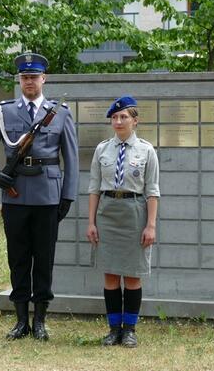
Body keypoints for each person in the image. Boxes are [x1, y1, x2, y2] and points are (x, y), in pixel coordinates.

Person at [0, 53, 79, 341]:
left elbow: (70, 158)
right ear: (19, 80)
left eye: (34, 77)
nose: (29, 81)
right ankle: (21, 321)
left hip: (48, 196)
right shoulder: (5, 111)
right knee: (18, 258)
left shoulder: (60, 112)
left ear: (43, 79)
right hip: (15, 194)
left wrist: (67, 195)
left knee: (44, 259)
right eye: (24, 77)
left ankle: (41, 321)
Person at [86, 96, 159, 348]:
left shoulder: (147, 151)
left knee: (132, 275)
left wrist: (150, 225)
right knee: (110, 274)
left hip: (134, 212)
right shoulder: (102, 149)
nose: (118, 121)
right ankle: (113, 329)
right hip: (108, 213)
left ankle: (130, 329)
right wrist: (91, 222)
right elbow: (94, 188)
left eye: (123, 117)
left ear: (135, 121)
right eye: (115, 117)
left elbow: (152, 191)